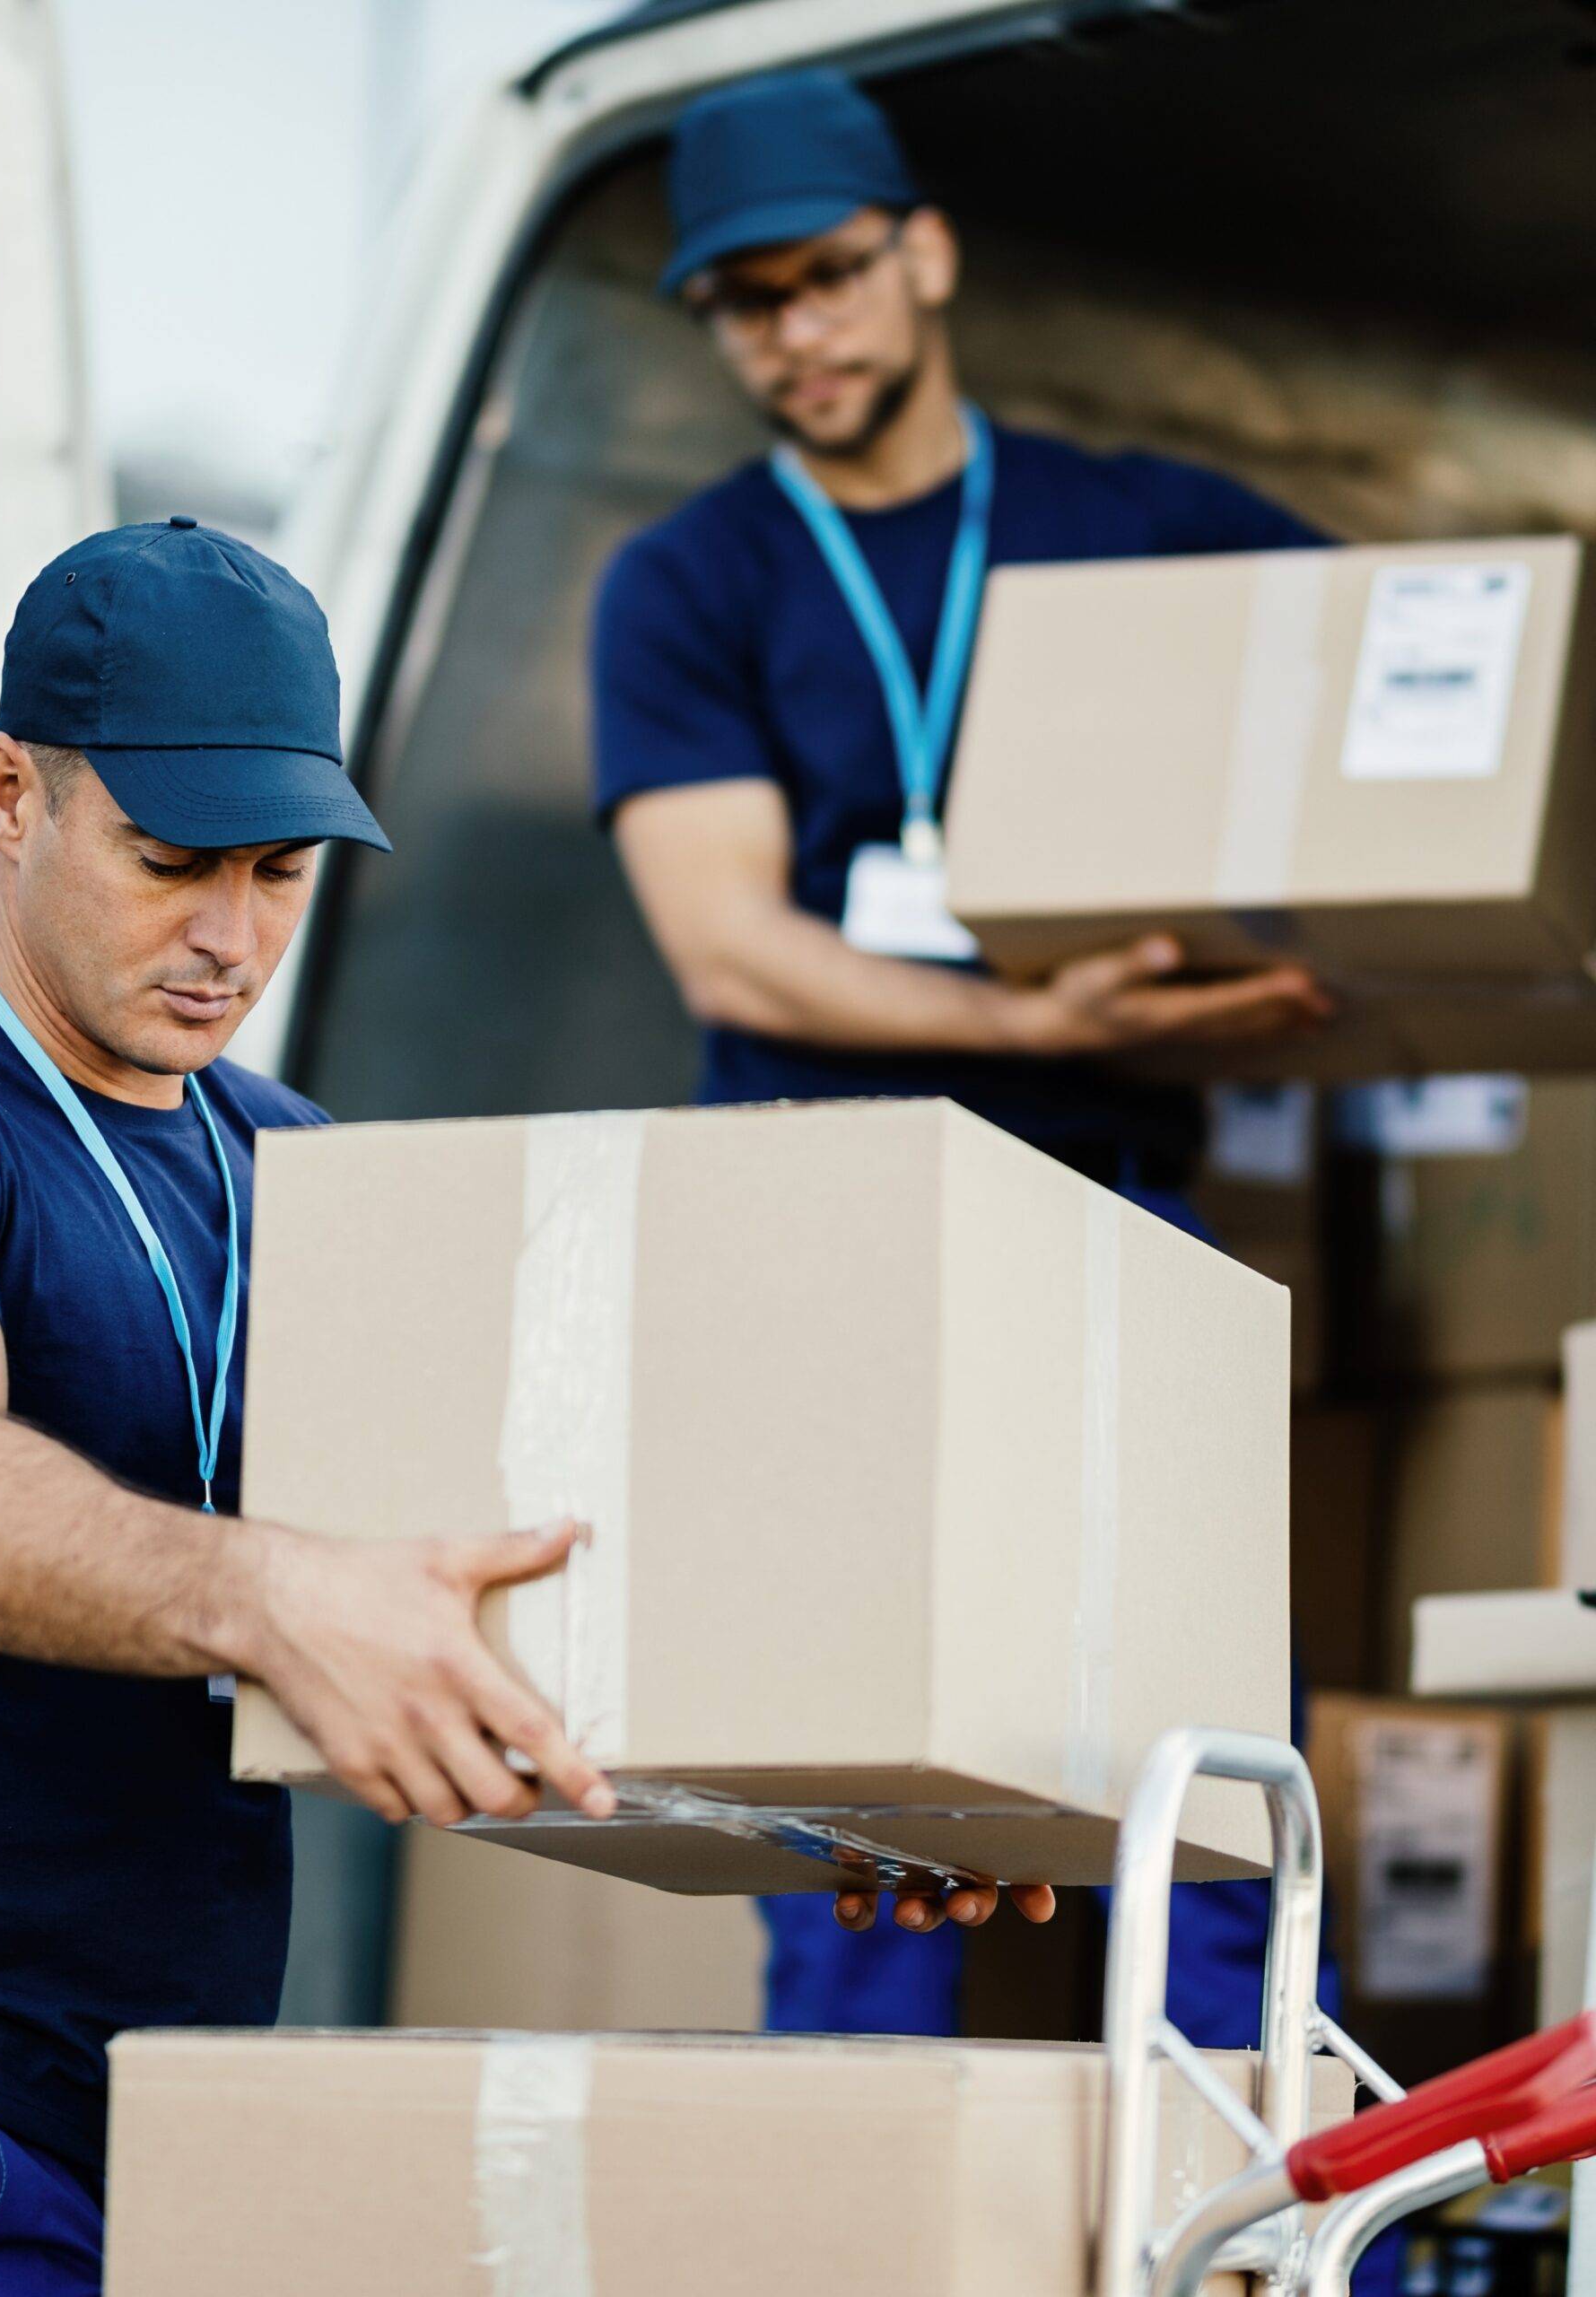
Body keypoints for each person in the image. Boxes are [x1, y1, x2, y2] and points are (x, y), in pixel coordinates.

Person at [0, 520, 644, 2295]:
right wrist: (266, 1590)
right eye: (171, 858)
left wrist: (844, 1817)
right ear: (12, 790)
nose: (228, 935)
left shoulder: (305, 1167)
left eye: (279, 871)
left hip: (184, 2118)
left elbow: (517, 1570)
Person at [589, 69, 1334, 2045]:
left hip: (1109, 1226)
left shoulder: (1141, 525)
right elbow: (726, 935)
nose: (794, 332)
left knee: (1202, 1800)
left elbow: (1372, 712)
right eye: (743, 302)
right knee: (857, 1821)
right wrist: (1031, 1016)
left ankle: (1249, 2232)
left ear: (923, 252)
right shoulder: (691, 579)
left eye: (825, 275)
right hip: (820, 1240)